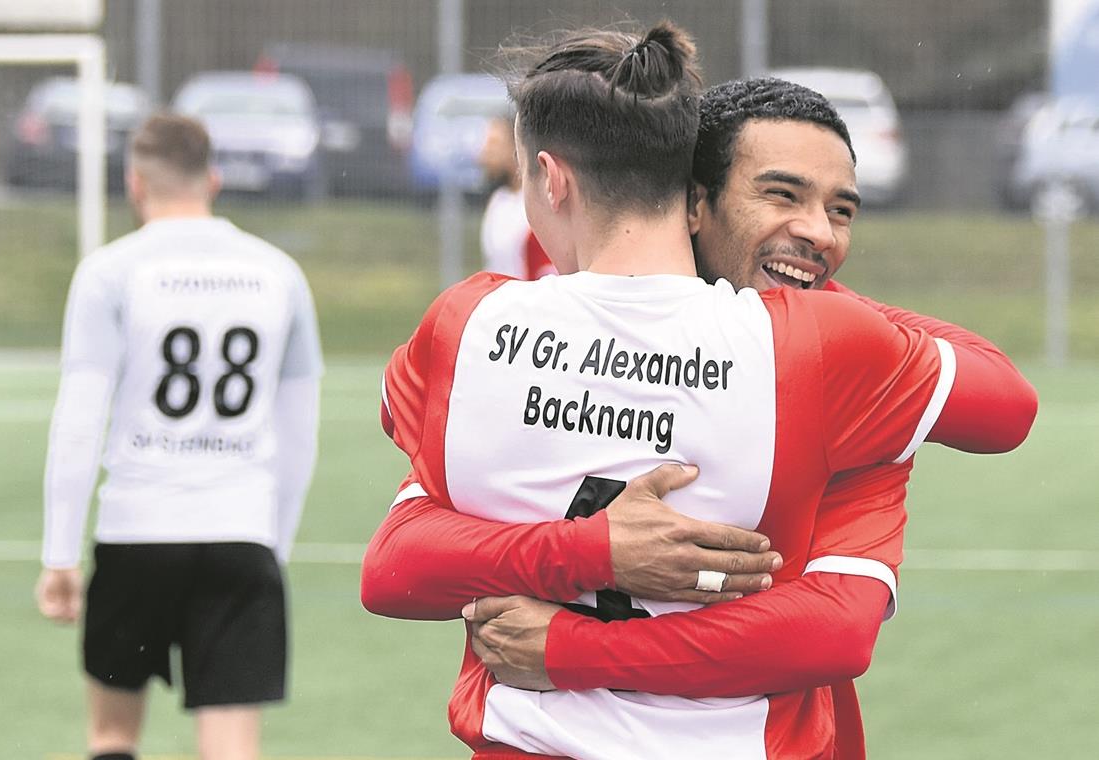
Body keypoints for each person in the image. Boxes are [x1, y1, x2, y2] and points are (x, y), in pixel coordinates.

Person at [366, 23, 1036, 760]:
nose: (817, 232)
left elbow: (398, 552)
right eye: (781, 194)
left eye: (843, 210)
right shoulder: (829, 361)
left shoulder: (474, 321)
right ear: (692, 198)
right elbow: (1004, 406)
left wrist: (570, 640)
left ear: (552, 180)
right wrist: (593, 550)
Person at [35, 113, 323, 760]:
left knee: (112, 737)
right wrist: (271, 542)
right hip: (239, 533)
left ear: (135, 184)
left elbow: (79, 418)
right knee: (230, 748)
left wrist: (60, 555)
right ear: (213, 180)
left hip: (137, 533)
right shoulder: (278, 273)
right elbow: (300, 426)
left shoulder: (111, 271)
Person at [478, 113, 555, 280]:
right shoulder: (499, 200)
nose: (484, 154)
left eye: (494, 144)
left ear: (516, 148)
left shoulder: (540, 204)